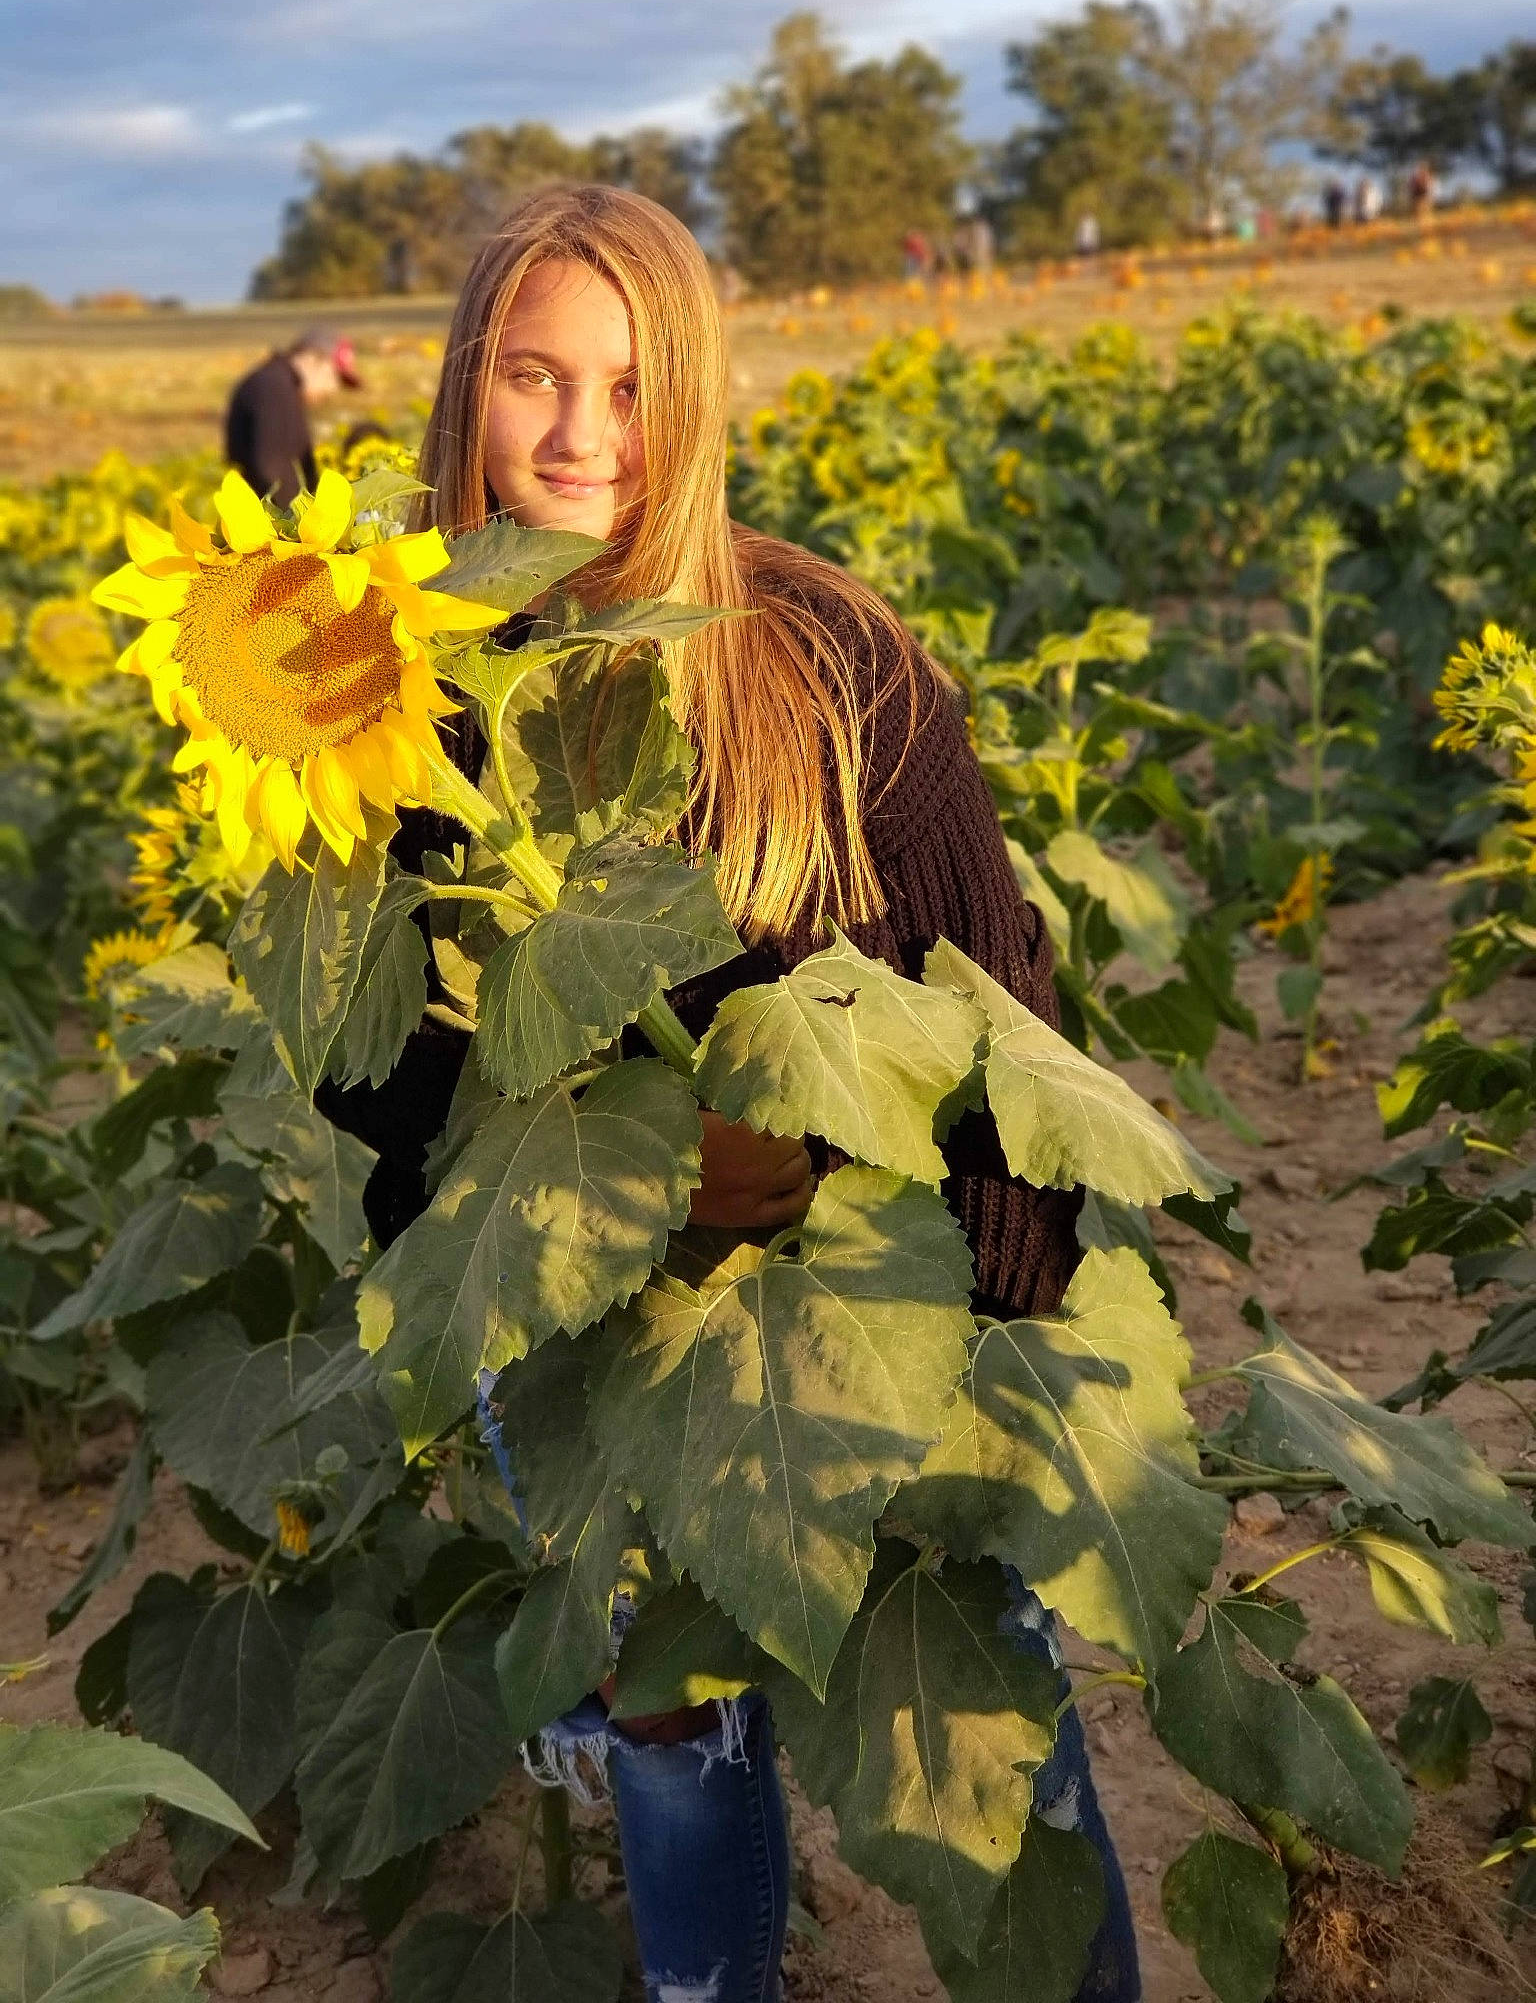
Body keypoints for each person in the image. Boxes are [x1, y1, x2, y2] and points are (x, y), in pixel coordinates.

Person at [317, 184, 1140, 2003]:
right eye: (534, 375)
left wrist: (1001, 1318)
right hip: (595, 1330)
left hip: (865, 1308)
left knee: (981, 1696)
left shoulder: (825, 656)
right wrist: (622, 1173)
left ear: (694, 399)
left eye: (628, 382)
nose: (581, 433)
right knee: (673, 1732)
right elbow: (377, 1090)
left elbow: (996, 991)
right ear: (465, 388)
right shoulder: (398, 695)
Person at [223, 327, 361, 507]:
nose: (333, 390)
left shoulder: (277, 383)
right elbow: (274, 468)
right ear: (313, 359)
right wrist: (295, 524)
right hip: (269, 526)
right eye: (334, 376)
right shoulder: (274, 387)